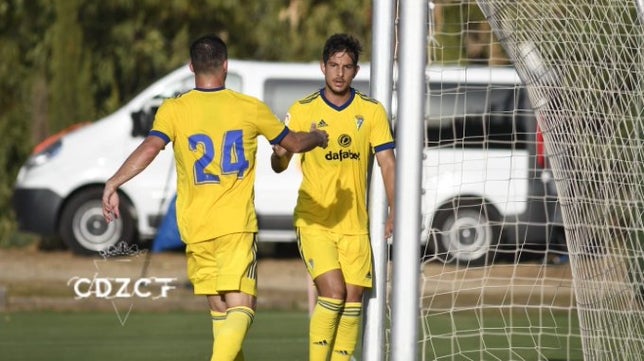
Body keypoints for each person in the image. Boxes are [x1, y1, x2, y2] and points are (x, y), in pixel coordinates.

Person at [102, 34, 328, 361]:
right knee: (242, 307)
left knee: (221, 311)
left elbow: (150, 147)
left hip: (195, 228)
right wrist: (318, 137)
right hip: (235, 226)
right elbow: (291, 143)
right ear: (226, 65)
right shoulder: (249, 107)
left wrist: (114, 182)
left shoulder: (174, 110)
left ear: (192, 66)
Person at [271, 33, 396, 361]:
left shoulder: (371, 112)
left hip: (355, 226)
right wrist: (281, 153)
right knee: (334, 293)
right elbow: (279, 164)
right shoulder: (302, 110)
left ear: (356, 71)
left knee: (353, 300)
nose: (339, 73)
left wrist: (396, 208)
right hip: (315, 221)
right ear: (322, 67)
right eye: (334, 65)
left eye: (347, 66)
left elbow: (387, 163)